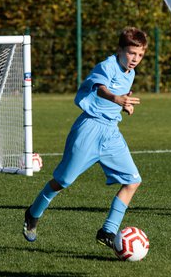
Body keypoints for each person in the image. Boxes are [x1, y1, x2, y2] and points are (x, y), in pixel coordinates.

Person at [23, 27, 148, 248]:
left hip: (111, 133)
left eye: (139, 55)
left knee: (133, 181)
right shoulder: (107, 66)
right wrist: (115, 98)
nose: (135, 59)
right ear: (119, 50)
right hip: (89, 129)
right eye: (131, 53)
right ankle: (33, 213)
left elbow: (118, 97)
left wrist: (124, 105)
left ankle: (108, 231)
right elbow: (100, 89)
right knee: (63, 181)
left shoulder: (131, 73)